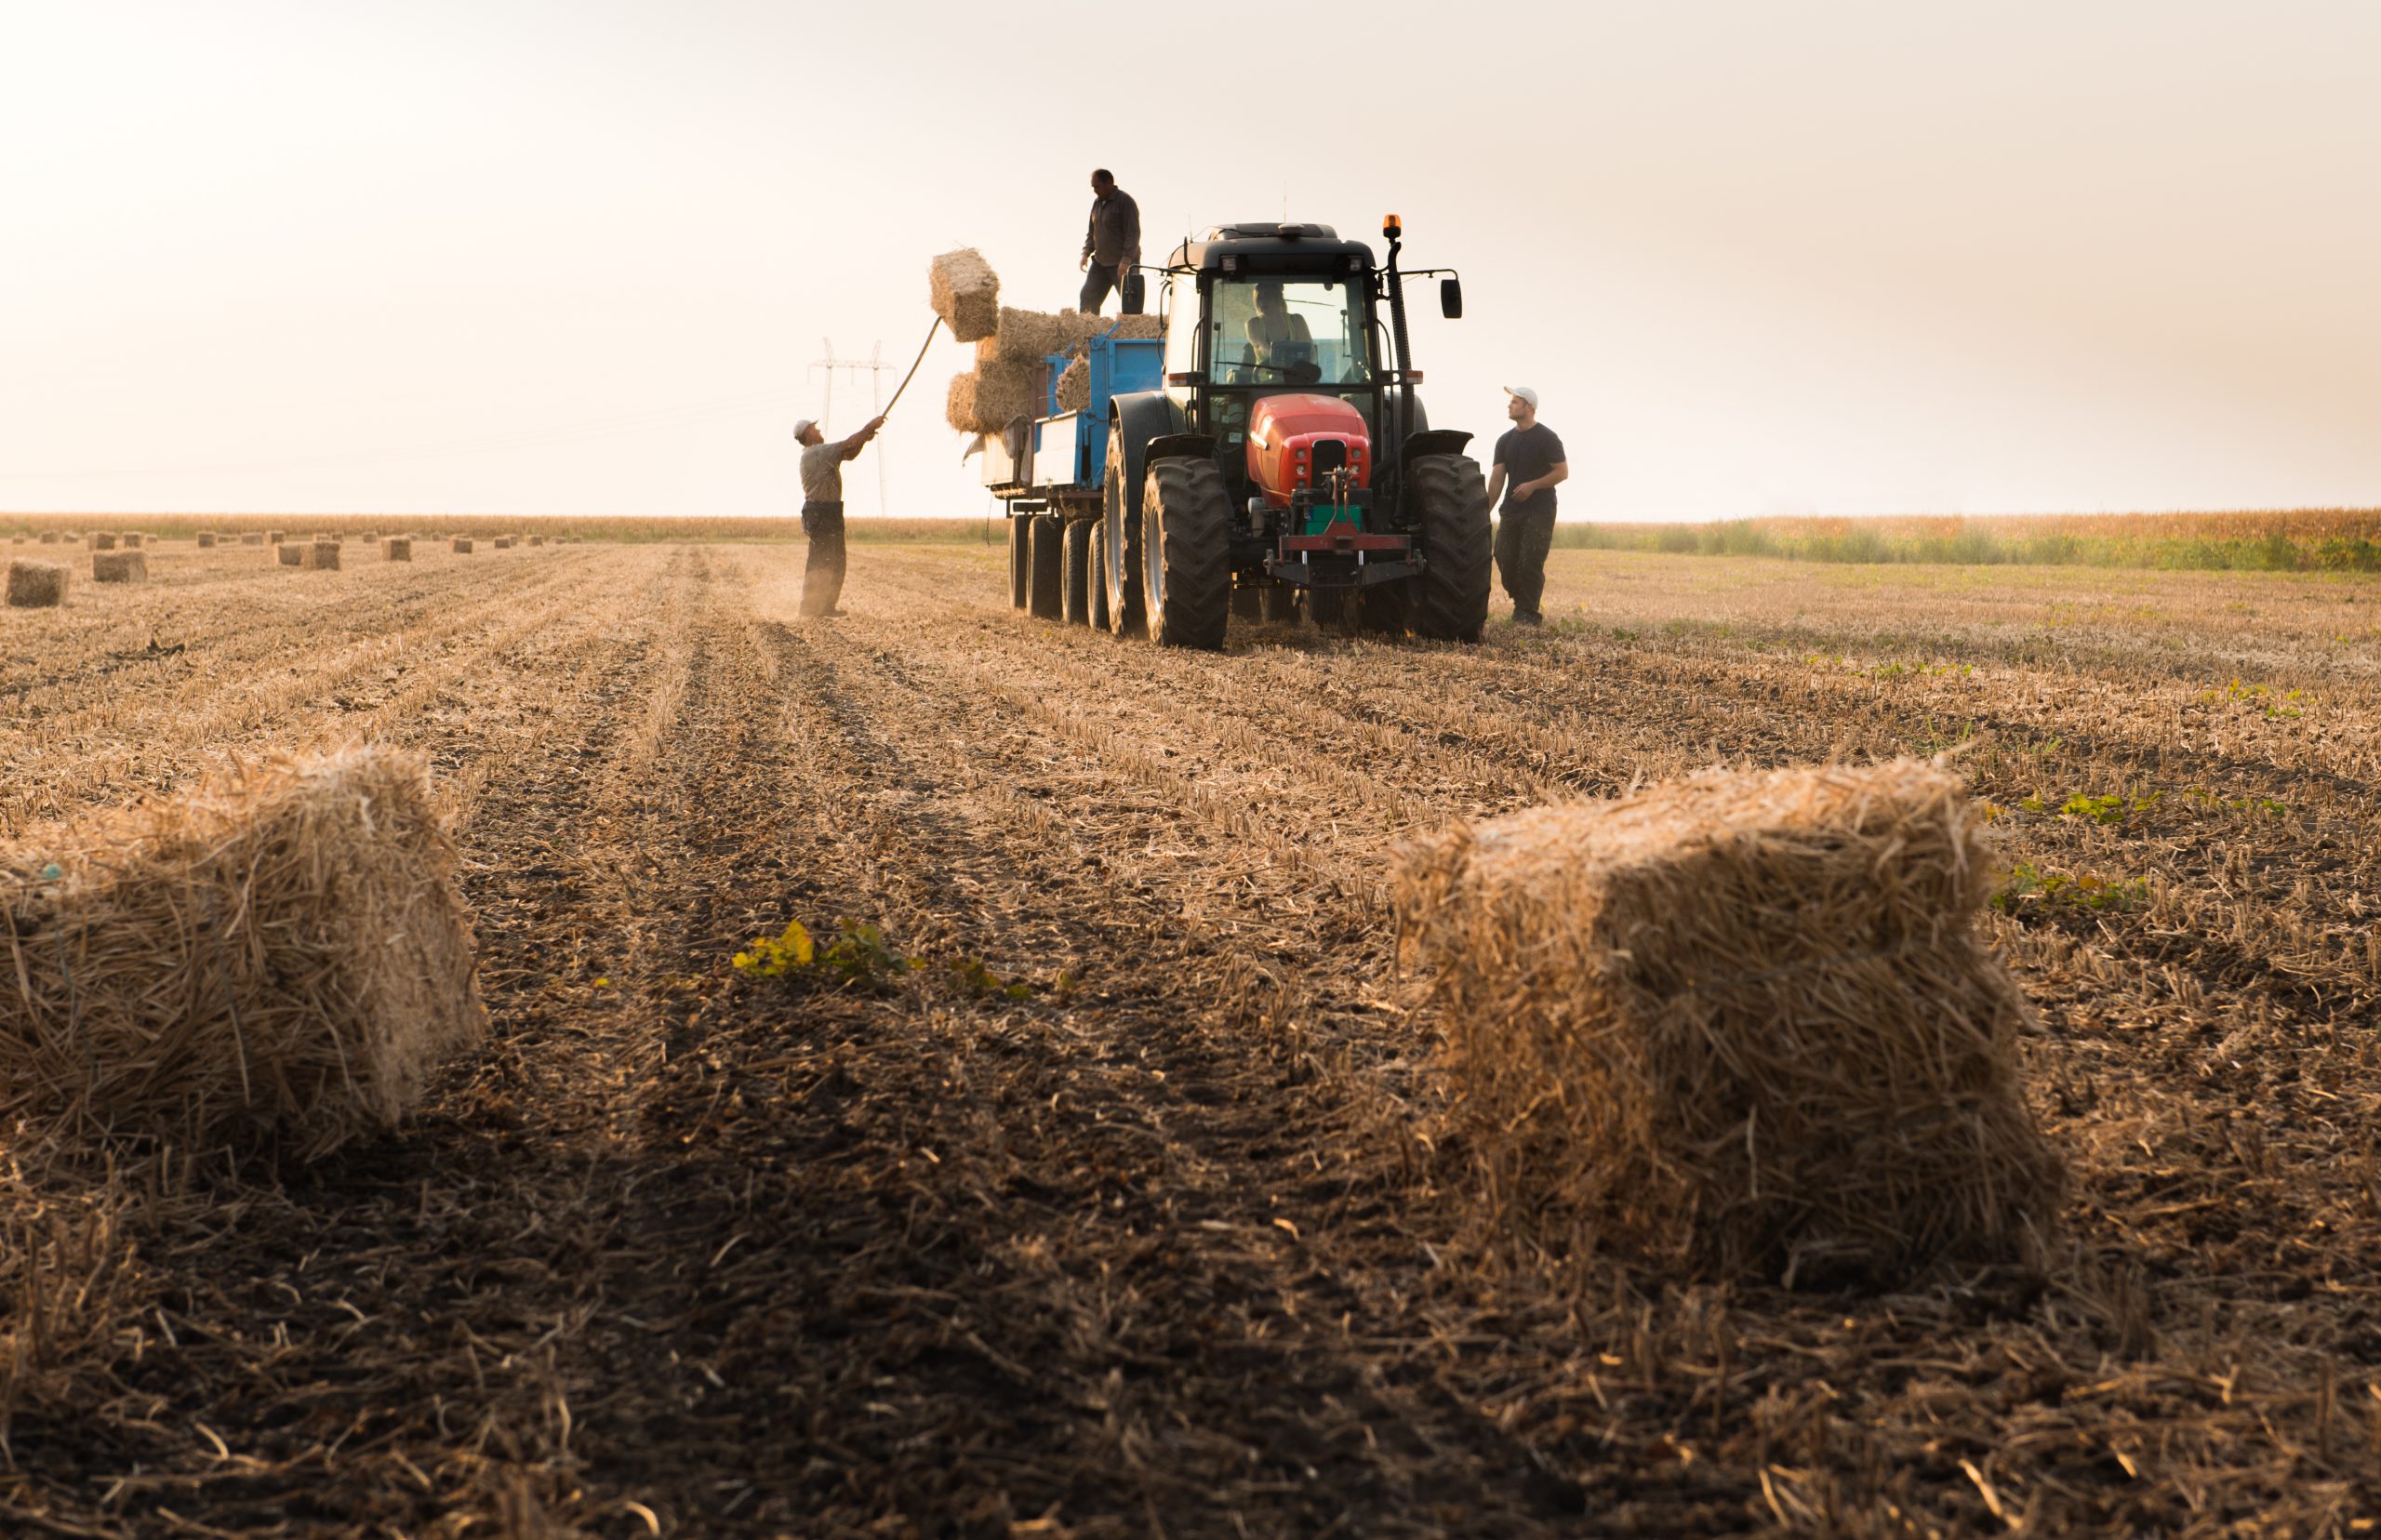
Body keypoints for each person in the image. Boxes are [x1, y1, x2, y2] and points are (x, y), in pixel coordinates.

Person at [1483, 386, 1568, 626]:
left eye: (1515, 402)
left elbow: (1562, 472)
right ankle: (1523, 602)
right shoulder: (1505, 441)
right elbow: (1498, 478)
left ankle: (1528, 613)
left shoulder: (1547, 438)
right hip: (1511, 510)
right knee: (1503, 556)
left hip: (1540, 510)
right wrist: (1485, 511)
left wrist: (1532, 485)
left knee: (1530, 561)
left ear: (1529, 407)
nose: (1509, 405)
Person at [794, 413, 884, 618]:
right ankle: (809, 608)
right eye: (814, 429)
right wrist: (869, 426)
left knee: (836, 561)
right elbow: (848, 444)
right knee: (819, 561)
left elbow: (850, 453)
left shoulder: (822, 453)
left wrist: (865, 438)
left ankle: (826, 606)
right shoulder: (815, 453)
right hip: (820, 512)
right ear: (808, 433)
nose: (818, 431)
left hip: (831, 511)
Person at [1078, 168, 1141, 314]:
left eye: (1097, 186)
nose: (1094, 190)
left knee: (1130, 303)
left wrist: (1126, 261)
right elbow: (1092, 232)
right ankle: (1089, 334)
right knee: (1087, 297)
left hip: (1122, 263)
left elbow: (1133, 234)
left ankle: (1133, 335)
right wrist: (1086, 253)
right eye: (1093, 187)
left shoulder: (1125, 202)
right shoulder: (1097, 204)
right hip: (1100, 263)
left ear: (1109, 183)